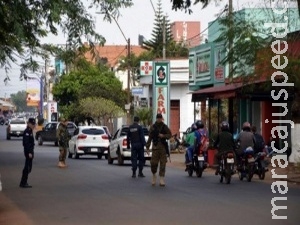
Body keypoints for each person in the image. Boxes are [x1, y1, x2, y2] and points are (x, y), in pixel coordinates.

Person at [146, 113, 172, 187]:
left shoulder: (165, 127)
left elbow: (169, 135)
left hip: (163, 148)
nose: (159, 119)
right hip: (155, 148)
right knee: (153, 163)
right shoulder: (153, 127)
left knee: (163, 164)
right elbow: (150, 138)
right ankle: (154, 175)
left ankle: (161, 178)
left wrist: (163, 136)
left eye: (160, 118)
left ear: (162, 119)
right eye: (158, 118)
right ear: (156, 118)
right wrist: (147, 147)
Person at [20, 118, 36, 188]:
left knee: (29, 168)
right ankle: (23, 182)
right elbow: (25, 143)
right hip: (28, 152)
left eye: (34, 124)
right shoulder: (27, 131)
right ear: (28, 124)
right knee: (27, 168)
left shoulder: (30, 131)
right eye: (32, 124)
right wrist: (29, 152)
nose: (33, 125)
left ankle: (23, 182)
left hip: (30, 151)